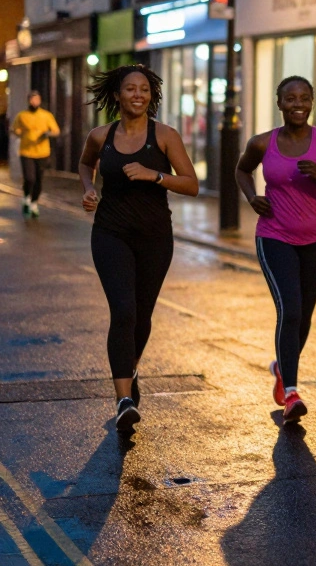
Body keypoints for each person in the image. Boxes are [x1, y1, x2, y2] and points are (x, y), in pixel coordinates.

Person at [78, 65, 200, 433]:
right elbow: (86, 163)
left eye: (144, 89)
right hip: (110, 234)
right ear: (117, 94)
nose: (138, 95)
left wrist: (155, 176)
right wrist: (88, 187)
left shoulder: (164, 136)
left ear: (151, 95)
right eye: (130, 89)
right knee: (124, 310)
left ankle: (129, 370)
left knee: (143, 314)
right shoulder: (101, 135)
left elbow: (192, 184)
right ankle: (124, 399)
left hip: (155, 238)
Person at [236, 76, 316, 423]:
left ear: (312, 102)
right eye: (290, 98)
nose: (297, 104)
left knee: (305, 315)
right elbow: (242, 170)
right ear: (279, 103)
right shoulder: (262, 143)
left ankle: (281, 368)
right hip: (274, 237)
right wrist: (251, 196)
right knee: (291, 309)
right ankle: (291, 393)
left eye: (303, 98)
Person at [11, 90, 60, 218]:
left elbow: (56, 130)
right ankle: (26, 197)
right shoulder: (22, 115)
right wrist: (18, 132)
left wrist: (47, 134)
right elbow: (14, 129)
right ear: (29, 101)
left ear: (40, 101)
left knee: (38, 179)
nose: (35, 102)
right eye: (32, 99)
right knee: (29, 178)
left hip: (42, 152)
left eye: (37, 99)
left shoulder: (46, 115)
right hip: (26, 151)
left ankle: (34, 203)